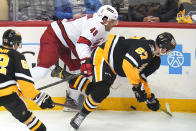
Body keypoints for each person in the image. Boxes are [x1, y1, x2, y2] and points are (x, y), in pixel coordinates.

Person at [66, 32, 176, 130]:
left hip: (113, 65)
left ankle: (63, 74)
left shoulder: (154, 58)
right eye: (168, 50)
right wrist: (136, 88)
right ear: (163, 48)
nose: (167, 52)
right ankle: (81, 115)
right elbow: (128, 65)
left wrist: (148, 97)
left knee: (94, 92)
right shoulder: (145, 48)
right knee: (100, 92)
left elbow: (141, 76)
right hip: (104, 56)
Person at [30, 5, 118, 110]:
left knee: (78, 71)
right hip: (54, 36)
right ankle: (15, 82)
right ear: (105, 19)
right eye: (113, 21)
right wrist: (85, 61)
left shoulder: (103, 29)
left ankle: (71, 100)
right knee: (42, 70)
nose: (114, 24)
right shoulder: (97, 26)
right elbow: (82, 44)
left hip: (69, 44)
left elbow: (90, 47)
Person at [0, 29, 54, 131]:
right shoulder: (17, 56)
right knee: (31, 121)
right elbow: (27, 89)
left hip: (7, 93)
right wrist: (41, 98)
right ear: (14, 43)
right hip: (8, 96)